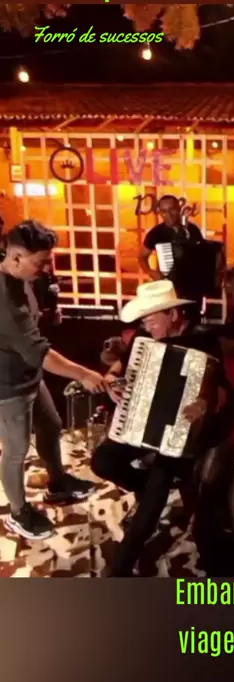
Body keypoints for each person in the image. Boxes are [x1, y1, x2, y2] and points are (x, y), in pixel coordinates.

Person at [91, 279, 232, 576]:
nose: (146, 325)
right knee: (102, 461)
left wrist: (205, 404)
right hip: (140, 423)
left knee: (157, 488)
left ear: (174, 314)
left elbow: (221, 391)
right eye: (144, 320)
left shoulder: (204, 340)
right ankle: (145, 487)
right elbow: (119, 371)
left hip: (183, 433)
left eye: (151, 319)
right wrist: (113, 384)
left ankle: (121, 567)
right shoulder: (143, 340)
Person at [0, 220, 106, 541]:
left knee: (51, 425)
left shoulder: (19, 274)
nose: (46, 268)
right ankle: (18, 513)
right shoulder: (5, 301)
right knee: (16, 449)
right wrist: (84, 374)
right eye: (40, 262)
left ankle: (58, 484)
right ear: (16, 257)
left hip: (28, 374)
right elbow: (40, 353)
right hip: (7, 386)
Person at [139, 195, 203, 282]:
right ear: (160, 213)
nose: (169, 215)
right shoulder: (155, 233)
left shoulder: (192, 229)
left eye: (172, 209)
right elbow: (142, 258)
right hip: (168, 282)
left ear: (179, 209)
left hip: (191, 282)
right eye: (164, 211)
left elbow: (202, 255)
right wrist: (150, 272)